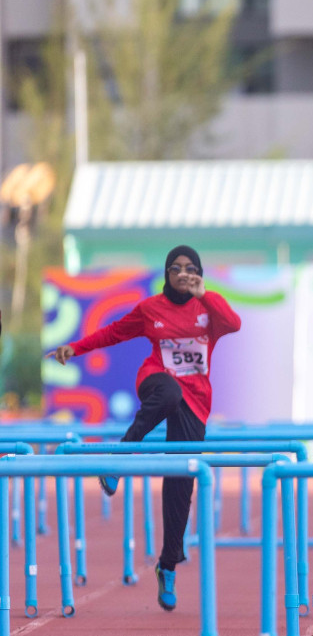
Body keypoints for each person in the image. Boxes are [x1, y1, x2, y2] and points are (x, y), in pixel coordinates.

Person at [47, 246, 241, 610]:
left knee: (181, 481)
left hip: (196, 399)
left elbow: (233, 324)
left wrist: (204, 295)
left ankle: (168, 565)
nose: (183, 274)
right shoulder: (150, 309)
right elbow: (114, 333)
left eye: (191, 269)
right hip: (156, 381)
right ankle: (118, 459)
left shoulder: (208, 307)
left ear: (198, 274)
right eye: (176, 268)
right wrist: (75, 347)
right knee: (167, 391)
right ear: (167, 274)